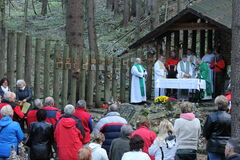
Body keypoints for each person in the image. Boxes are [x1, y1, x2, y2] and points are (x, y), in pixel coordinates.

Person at [203, 95, 231, 160]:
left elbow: (206, 132)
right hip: (227, 146)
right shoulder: (231, 118)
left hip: (214, 146)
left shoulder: (211, 117)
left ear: (217, 105)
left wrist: (208, 139)